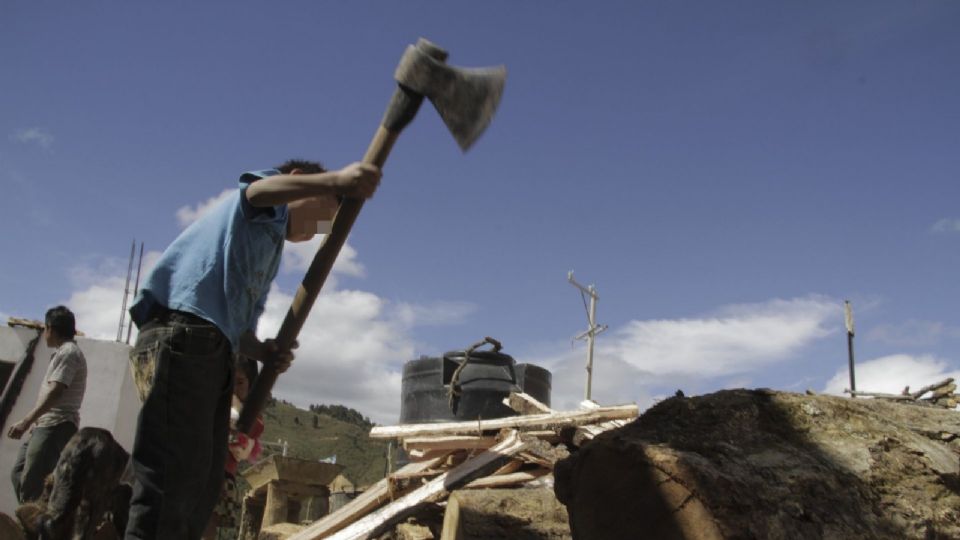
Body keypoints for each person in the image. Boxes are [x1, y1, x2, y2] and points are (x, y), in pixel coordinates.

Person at [124, 159, 380, 540]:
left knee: (203, 482)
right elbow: (259, 191)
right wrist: (337, 179)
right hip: (184, 333)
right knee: (170, 479)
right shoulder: (261, 207)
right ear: (298, 182)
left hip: (213, 347)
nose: (319, 232)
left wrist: (262, 350)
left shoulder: (270, 246)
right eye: (327, 214)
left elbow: (235, 324)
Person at [8, 305, 88, 504]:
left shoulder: (68, 352)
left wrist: (26, 421)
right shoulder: (63, 352)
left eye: (45, 328)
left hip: (56, 425)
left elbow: (55, 392)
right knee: (18, 474)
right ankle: (39, 517)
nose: (44, 333)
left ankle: (36, 529)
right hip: (45, 424)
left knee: (31, 484)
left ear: (51, 328)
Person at [204, 355, 263, 540]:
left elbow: (244, 438)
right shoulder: (211, 405)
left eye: (240, 382)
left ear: (250, 384)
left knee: (208, 524)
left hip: (221, 476)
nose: (233, 388)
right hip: (199, 469)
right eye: (227, 380)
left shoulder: (251, 417)